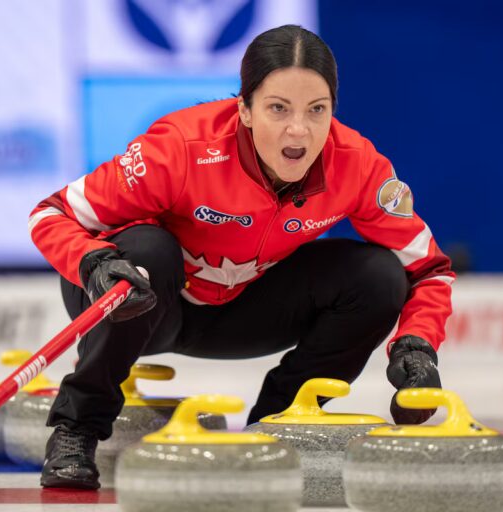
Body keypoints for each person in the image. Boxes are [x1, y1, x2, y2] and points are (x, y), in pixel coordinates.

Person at [29, 24, 454, 490]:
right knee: (151, 249)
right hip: (140, 303)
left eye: (317, 110)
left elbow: (429, 269)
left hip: (240, 311)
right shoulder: (180, 148)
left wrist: (417, 343)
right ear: (244, 111)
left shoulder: (357, 165)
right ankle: (76, 429)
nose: (299, 130)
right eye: (278, 109)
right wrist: (92, 264)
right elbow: (51, 213)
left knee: (379, 277)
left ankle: (278, 426)